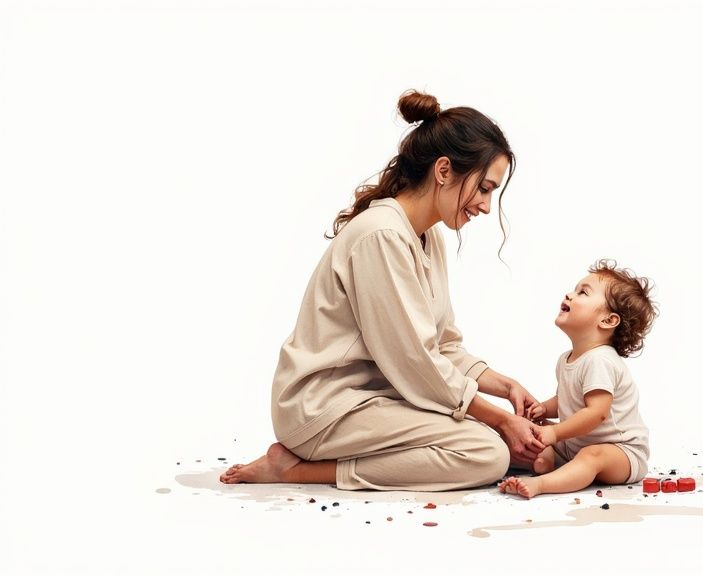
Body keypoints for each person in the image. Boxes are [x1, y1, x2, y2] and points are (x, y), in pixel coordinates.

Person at [220, 90, 545, 491]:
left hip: (374, 399)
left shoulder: (426, 237)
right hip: (323, 407)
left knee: (496, 443)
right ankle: (291, 469)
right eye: (483, 188)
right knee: (487, 452)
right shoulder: (381, 236)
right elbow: (415, 361)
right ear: (444, 170)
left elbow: (441, 344)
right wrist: (497, 418)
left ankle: (312, 463)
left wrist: (505, 386)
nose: (484, 205)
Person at [499, 259, 658, 499]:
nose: (570, 294)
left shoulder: (600, 360)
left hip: (621, 452)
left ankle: (541, 484)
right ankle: (551, 464)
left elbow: (596, 413)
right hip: (578, 444)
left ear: (608, 321)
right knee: (543, 447)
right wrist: (544, 409)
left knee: (591, 455)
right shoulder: (567, 359)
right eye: (575, 289)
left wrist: (556, 433)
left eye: (582, 292)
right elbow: (566, 398)